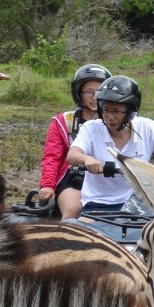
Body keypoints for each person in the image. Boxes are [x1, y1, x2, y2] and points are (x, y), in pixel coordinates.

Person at [66, 75, 154, 216]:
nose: (110, 117)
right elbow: (72, 155)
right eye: (105, 110)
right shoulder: (91, 128)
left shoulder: (147, 128)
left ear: (130, 111)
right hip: (99, 204)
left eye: (116, 111)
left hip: (138, 204)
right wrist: (87, 159)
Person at [38, 63, 109, 221]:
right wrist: (48, 184)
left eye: (99, 92)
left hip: (108, 177)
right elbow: (52, 156)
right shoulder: (63, 121)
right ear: (79, 94)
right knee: (74, 209)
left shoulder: (116, 120)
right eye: (89, 92)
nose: (94, 97)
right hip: (74, 179)